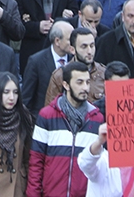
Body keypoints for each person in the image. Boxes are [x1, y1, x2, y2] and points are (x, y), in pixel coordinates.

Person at [26, 62, 104, 197]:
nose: (85, 88)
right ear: (66, 85)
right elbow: (36, 162)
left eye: (87, 82)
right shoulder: (47, 116)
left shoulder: (97, 119)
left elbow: (101, 165)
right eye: (79, 82)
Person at [22, 21, 74, 118]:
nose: (73, 43)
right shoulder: (36, 61)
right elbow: (26, 99)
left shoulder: (75, 61)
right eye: (70, 39)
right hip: (43, 121)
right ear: (57, 41)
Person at [44, 27, 106, 106]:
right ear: (72, 50)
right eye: (84, 46)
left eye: (92, 46)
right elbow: (50, 113)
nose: (89, 51)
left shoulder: (104, 73)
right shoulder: (60, 76)